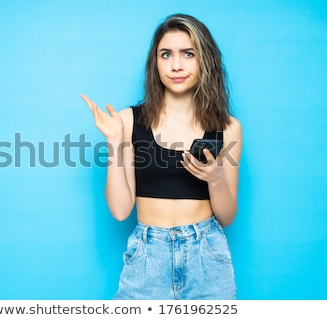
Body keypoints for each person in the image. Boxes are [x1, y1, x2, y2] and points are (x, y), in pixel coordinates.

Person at [81, 13, 242, 300]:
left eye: (188, 54)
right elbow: (120, 211)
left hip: (207, 257)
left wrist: (216, 178)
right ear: (155, 63)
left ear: (205, 60)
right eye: (166, 54)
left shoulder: (228, 127)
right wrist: (115, 141)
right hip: (147, 255)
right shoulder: (128, 121)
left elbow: (227, 216)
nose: (176, 65)